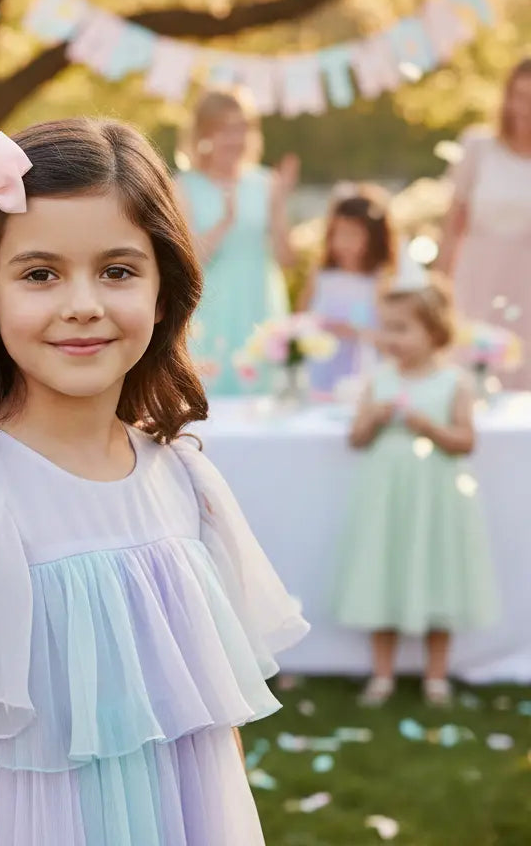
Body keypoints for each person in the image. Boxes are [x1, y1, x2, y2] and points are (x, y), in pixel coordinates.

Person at [0, 120, 309, 845]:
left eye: (117, 271)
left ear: (164, 288)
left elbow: (212, 741)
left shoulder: (185, 485)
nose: (82, 303)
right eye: (40, 273)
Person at [334, 253, 497, 708]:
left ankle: (436, 675)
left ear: (434, 330)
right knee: (385, 571)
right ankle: (382, 674)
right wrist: (376, 418)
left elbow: (466, 440)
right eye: (387, 328)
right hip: (389, 499)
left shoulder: (454, 382)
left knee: (436, 573)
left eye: (403, 329)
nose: (392, 339)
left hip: (435, 498)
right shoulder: (380, 379)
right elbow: (356, 437)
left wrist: (430, 427)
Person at [176, 88, 297, 395]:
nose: (235, 139)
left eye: (242, 128)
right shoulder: (184, 186)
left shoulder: (265, 182)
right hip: (212, 307)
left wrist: (280, 206)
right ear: (204, 134)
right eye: (225, 130)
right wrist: (225, 223)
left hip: (259, 303)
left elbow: (288, 260)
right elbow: (188, 260)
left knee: (262, 393)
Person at [438, 58, 531, 389]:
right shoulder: (478, 146)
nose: (524, 108)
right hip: (477, 276)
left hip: (526, 283)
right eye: (518, 96)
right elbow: (453, 223)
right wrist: (439, 283)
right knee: (468, 370)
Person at [299, 184, 395, 395]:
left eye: (353, 235)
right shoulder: (322, 274)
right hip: (320, 369)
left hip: (361, 369)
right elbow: (301, 315)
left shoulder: (380, 280)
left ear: (373, 237)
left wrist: (354, 331)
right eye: (338, 234)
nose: (344, 243)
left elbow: (389, 332)